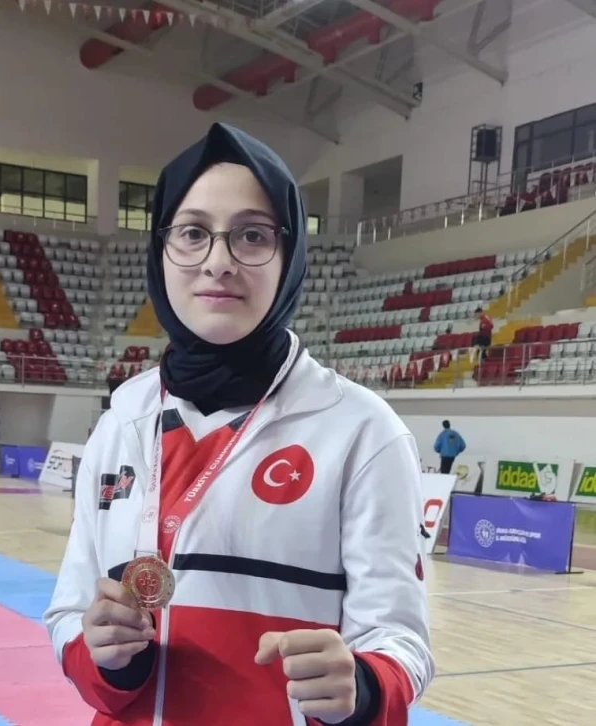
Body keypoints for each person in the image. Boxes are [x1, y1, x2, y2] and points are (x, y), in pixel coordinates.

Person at [43, 123, 434, 726]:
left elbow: (402, 643)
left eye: (252, 235)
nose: (218, 262)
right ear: (160, 250)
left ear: (290, 256)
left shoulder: (361, 432)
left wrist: (361, 686)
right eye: (192, 233)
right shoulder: (123, 418)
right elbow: (68, 614)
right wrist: (109, 658)